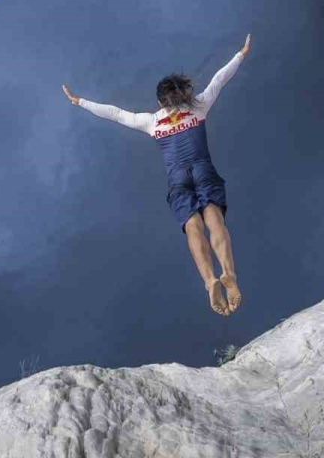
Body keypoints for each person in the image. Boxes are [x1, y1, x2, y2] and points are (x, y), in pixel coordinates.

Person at [62, 35, 250, 316]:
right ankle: (228, 273)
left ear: (161, 101)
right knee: (214, 219)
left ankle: (210, 280)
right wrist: (240, 54)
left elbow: (115, 113)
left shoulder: (152, 121)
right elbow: (219, 79)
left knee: (193, 227)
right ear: (183, 94)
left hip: (178, 180)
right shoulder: (198, 107)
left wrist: (81, 102)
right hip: (203, 170)